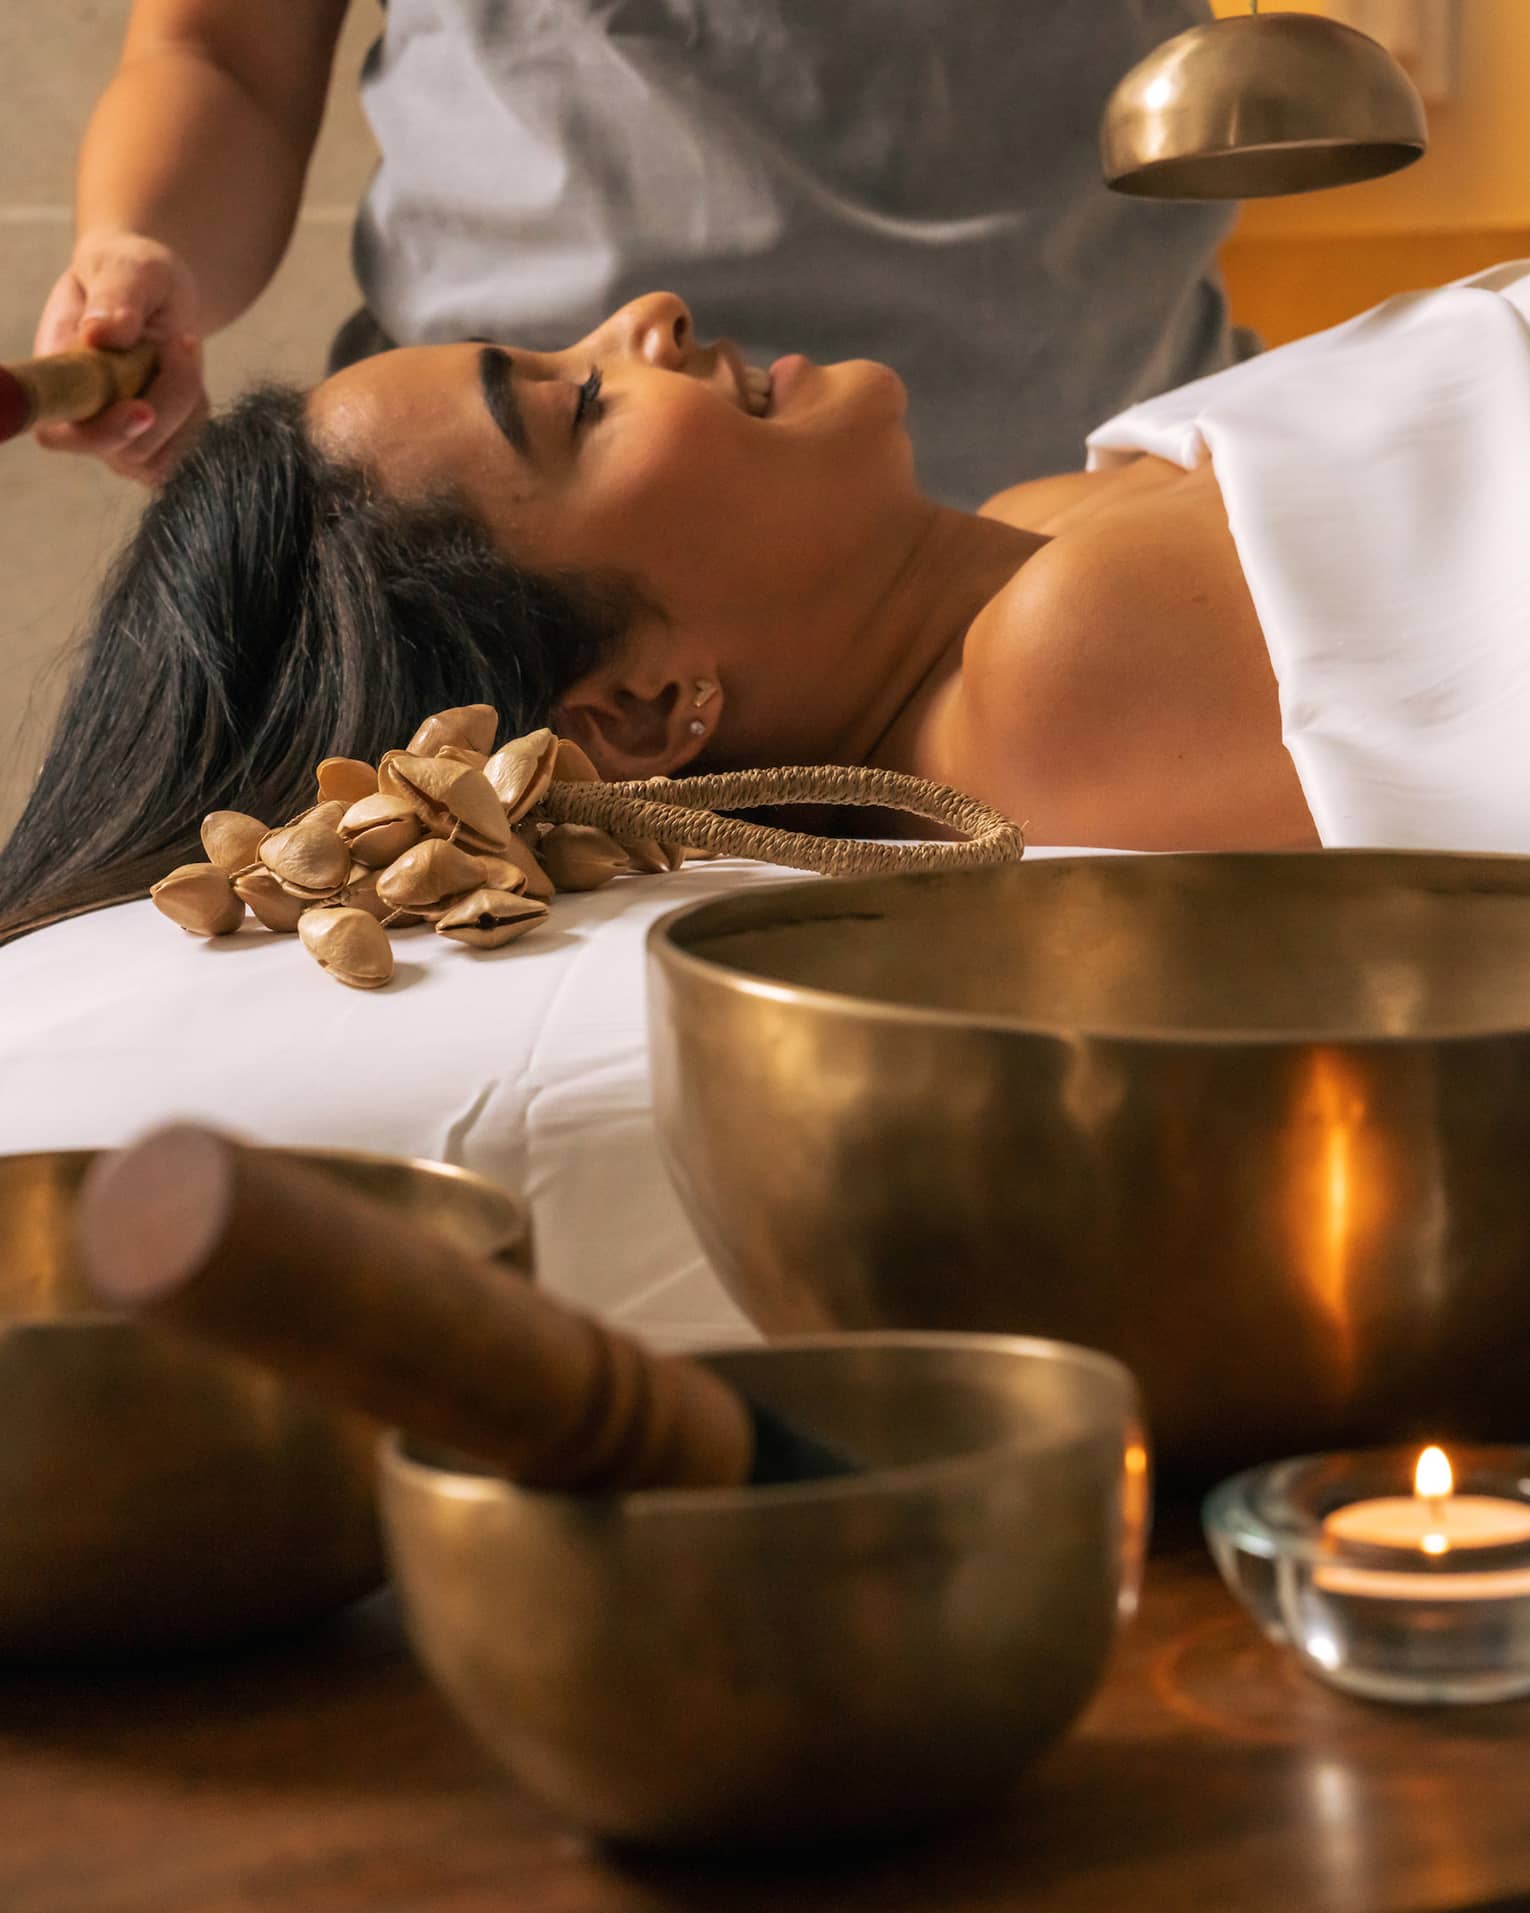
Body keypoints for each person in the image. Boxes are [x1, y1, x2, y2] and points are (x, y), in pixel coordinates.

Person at [5, 260, 1530, 948]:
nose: (645, 318)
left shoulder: (1013, 560)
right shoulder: (1062, 678)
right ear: (644, 705)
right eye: (580, 404)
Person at [32, 0, 1251, 502]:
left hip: (1109, 472)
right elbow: (220, 55)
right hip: (541, 597)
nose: (662, 330)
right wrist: (143, 244)